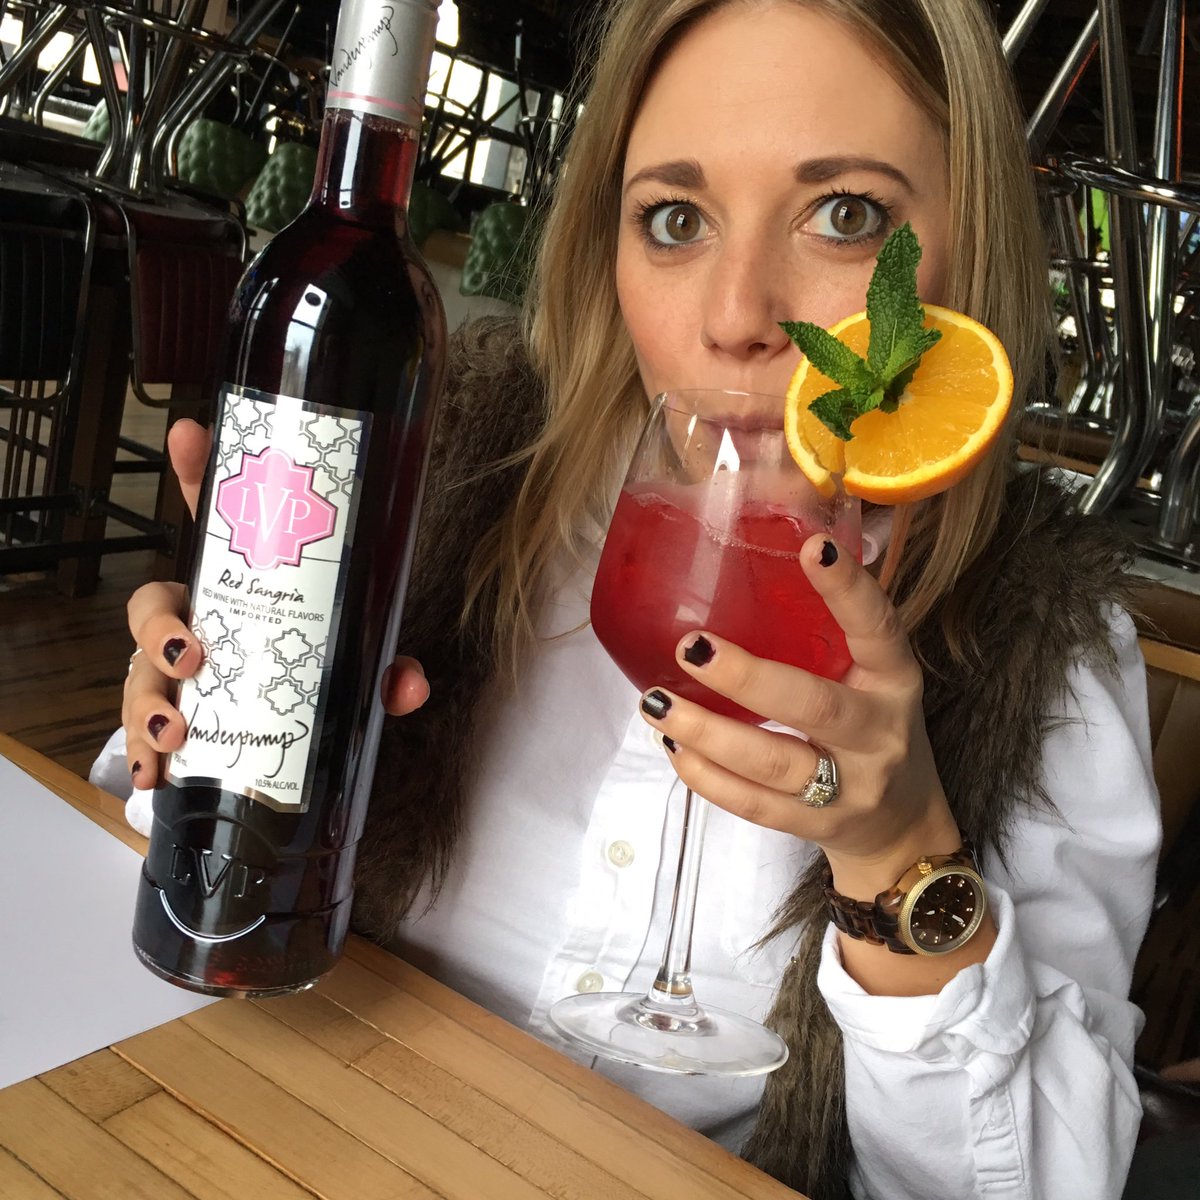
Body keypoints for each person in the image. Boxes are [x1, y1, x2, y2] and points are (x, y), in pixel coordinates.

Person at [95, 1, 1161, 1196]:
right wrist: (206, 721)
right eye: (676, 219)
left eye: (846, 215)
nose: (737, 317)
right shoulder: (451, 474)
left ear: (972, 250)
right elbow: (146, 840)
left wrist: (898, 854)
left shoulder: (1049, 642)